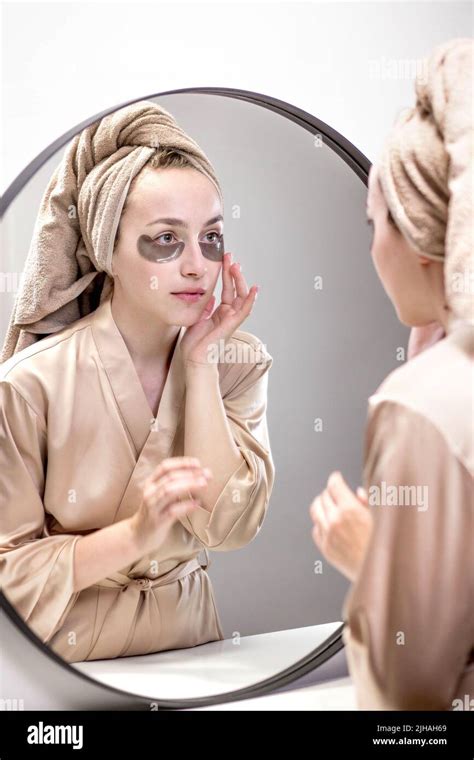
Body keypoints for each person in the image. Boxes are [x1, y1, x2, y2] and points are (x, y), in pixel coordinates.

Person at [0, 101, 275, 663]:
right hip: (73, 665)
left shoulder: (236, 363)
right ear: (109, 252)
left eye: (211, 238)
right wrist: (133, 536)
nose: (198, 266)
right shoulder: (30, 386)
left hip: (196, 654)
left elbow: (228, 526)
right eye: (166, 240)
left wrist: (199, 367)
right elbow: (8, 577)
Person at [309, 38, 473, 710]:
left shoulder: (426, 401)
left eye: (375, 223)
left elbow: (413, 700)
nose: (372, 246)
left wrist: (375, 562)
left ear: (418, 237)